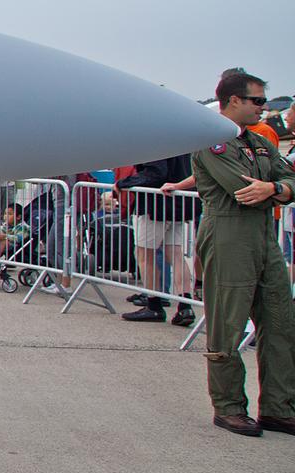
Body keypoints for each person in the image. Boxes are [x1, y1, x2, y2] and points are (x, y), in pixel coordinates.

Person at [191, 69, 295, 437]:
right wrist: (276, 189)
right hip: (228, 233)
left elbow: (290, 179)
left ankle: (279, 407)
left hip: (264, 237)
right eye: (257, 101)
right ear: (233, 100)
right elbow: (241, 188)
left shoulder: (261, 142)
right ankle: (230, 406)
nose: (264, 109)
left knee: (282, 322)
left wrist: (274, 188)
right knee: (228, 324)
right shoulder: (211, 141)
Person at [117, 153, 195, 325]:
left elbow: (156, 173)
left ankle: (153, 304)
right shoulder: (182, 139)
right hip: (180, 201)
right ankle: (185, 305)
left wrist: (124, 183)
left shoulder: (156, 142)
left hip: (155, 203)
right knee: (175, 253)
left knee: (145, 254)